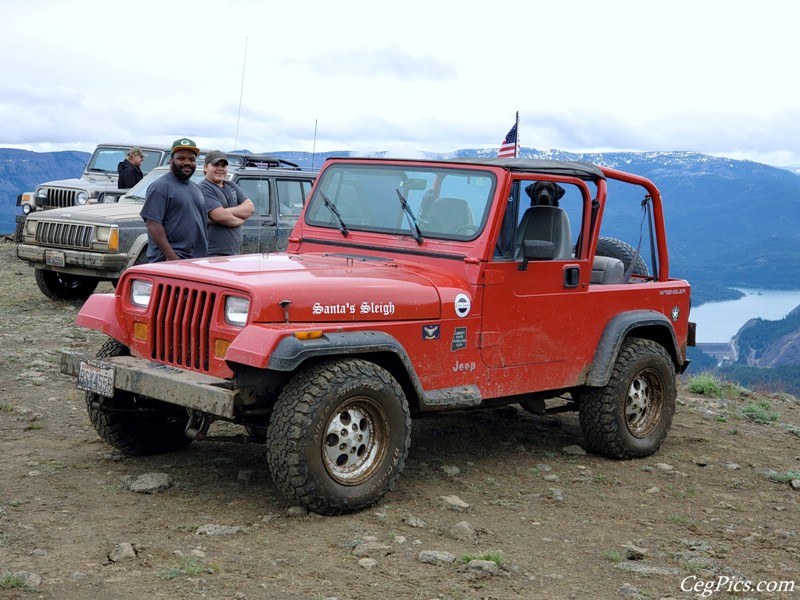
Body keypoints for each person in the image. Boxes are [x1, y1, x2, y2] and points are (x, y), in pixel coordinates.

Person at [140, 138, 208, 262]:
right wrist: (171, 256)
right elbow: (152, 224)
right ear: (171, 161)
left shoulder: (196, 189)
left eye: (192, 159)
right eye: (181, 158)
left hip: (195, 261)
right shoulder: (160, 187)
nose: (187, 162)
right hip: (169, 261)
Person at [199, 150, 255, 256]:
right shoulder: (203, 188)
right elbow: (221, 217)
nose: (220, 169)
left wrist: (226, 212)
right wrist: (242, 219)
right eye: (216, 165)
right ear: (205, 167)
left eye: (223, 165)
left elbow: (250, 208)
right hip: (212, 255)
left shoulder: (231, 185)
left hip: (233, 254)